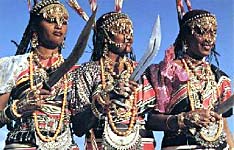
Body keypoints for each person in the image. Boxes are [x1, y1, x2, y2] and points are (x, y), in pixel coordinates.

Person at [145, 9, 233, 149]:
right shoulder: (165, 72)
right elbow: (151, 121)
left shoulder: (220, 77)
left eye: (213, 32)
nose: (209, 39)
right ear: (186, 36)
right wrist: (183, 119)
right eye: (202, 31)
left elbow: (224, 125)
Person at [0, 0, 81, 149]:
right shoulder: (12, 65)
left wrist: (101, 103)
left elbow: (81, 128)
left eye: (63, 21)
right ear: (35, 27)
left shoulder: (76, 72)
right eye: (51, 20)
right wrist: (18, 108)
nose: (58, 26)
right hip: (23, 144)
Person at [71, 12, 156, 150]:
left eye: (130, 31)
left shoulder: (143, 71)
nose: (128, 37)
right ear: (105, 36)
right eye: (121, 31)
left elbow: (153, 117)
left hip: (141, 142)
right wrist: (107, 97)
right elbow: (79, 127)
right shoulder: (88, 71)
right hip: (102, 143)